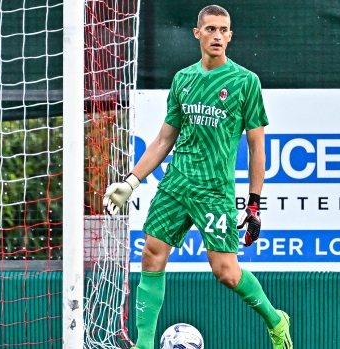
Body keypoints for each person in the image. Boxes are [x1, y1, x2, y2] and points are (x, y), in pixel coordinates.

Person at [103, 5, 293, 349]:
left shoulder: (245, 82)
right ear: (197, 33)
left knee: (226, 273)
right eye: (210, 29)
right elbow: (163, 139)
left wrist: (254, 204)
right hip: (176, 184)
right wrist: (131, 182)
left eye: (223, 30)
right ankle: (144, 345)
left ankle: (276, 320)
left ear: (230, 36)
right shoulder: (183, 80)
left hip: (214, 191)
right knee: (151, 253)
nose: (217, 35)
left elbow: (257, 148)